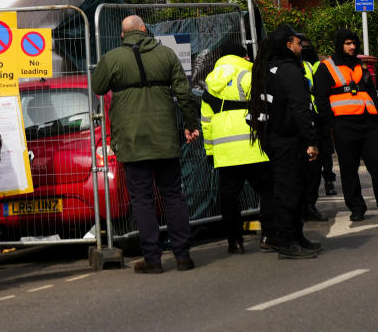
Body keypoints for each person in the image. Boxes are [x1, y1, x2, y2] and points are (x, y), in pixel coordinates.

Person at [91, 14, 200, 274]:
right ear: (144, 29)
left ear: (122, 35)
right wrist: (190, 123)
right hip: (164, 137)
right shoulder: (166, 55)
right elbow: (183, 92)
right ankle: (183, 256)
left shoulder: (113, 57)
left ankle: (153, 259)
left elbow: (98, 86)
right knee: (173, 195)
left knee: (142, 199)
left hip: (131, 139)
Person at [311, 27, 378, 224]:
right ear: (340, 45)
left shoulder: (360, 66)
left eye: (354, 43)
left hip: (369, 124)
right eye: (348, 44)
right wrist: (332, 124)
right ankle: (356, 208)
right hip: (343, 125)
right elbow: (320, 99)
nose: (352, 47)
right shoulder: (326, 67)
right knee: (348, 169)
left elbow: (371, 93)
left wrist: (377, 116)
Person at [250, 23, 322, 260]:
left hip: (276, 137)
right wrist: (311, 141)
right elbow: (300, 108)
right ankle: (287, 242)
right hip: (288, 139)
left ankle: (296, 237)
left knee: (294, 190)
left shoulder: (269, 68)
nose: (302, 46)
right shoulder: (289, 70)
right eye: (298, 42)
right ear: (288, 44)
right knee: (289, 192)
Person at [201, 42, 274, 255]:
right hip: (252, 144)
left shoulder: (210, 81)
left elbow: (206, 121)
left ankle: (235, 242)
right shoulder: (250, 74)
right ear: (244, 56)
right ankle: (269, 234)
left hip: (225, 150)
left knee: (229, 197)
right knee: (269, 189)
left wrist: (210, 151)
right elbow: (266, 105)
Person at [300, 41, 333, 221]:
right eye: (301, 45)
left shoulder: (314, 66)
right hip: (300, 120)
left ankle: (310, 204)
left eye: (306, 46)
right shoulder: (294, 67)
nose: (304, 49)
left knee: (320, 159)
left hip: (317, 119)